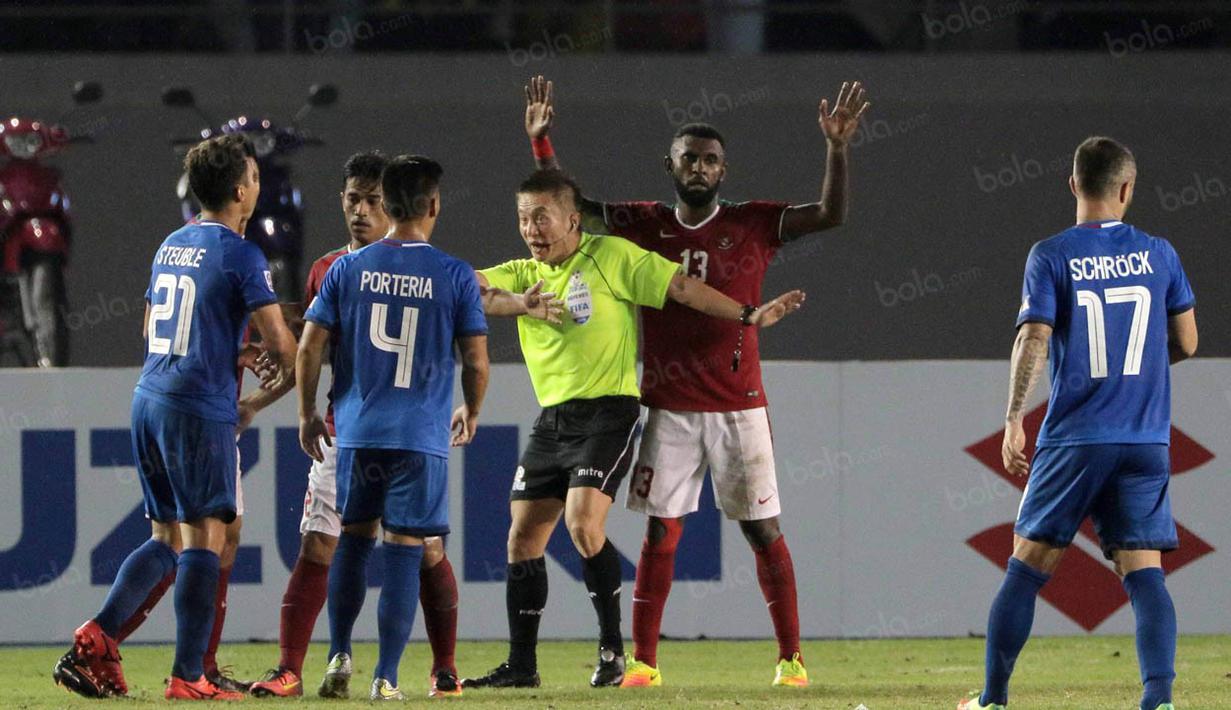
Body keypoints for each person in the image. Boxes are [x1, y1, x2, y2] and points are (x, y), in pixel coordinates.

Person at [521, 75, 867, 687]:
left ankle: (790, 657)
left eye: (710, 160)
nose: (700, 168)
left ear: (723, 170)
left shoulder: (755, 222)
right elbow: (575, 210)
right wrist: (543, 146)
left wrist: (837, 148)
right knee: (662, 533)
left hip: (740, 406)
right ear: (670, 165)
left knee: (763, 531)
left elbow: (831, 214)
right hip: (669, 405)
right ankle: (645, 663)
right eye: (690, 158)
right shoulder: (643, 222)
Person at [461, 169, 805, 690]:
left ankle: (614, 653)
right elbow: (469, 287)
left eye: (541, 217)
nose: (530, 229)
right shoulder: (519, 272)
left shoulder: (612, 256)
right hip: (553, 419)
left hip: (609, 411)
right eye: (522, 218)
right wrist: (520, 303)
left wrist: (747, 314)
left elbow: (683, 288)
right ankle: (522, 666)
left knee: (581, 523)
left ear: (572, 220)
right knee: (522, 538)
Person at [51, 134, 298, 700]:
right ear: (240, 190)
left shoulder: (172, 243)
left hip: (150, 396)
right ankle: (190, 676)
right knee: (205, 539)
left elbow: (151, 329)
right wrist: (281, 365)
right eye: (255, 177)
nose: (258, 185)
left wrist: (225, 348)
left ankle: (98, 634)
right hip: (196, 407)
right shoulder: (243, 253)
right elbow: (281, 346)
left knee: (165, 535)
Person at [957, 137, 1197, 710]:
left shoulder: (1051, 254)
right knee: (1145, 573)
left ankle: (992, 700)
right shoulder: (1160, 253)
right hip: (1144, 440)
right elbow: (1186, 341)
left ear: (1072, 185)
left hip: (1076, 438)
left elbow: (1034, 336)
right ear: (1127, 189)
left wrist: (1015, 416)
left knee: (1026, 567)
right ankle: (1158, 700)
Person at [250, 152, 472, 699]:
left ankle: (443, 665)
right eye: (352, 199)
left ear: (391, 203)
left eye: (372, 200)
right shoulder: (330, 268)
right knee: (319, 546)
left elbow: (306, 345)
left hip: (366, 432)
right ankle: (294, 669)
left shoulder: (363, 272)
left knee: (422, 551)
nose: (360, 210)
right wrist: (268, 402)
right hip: (346, 429)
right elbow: (307, 349)